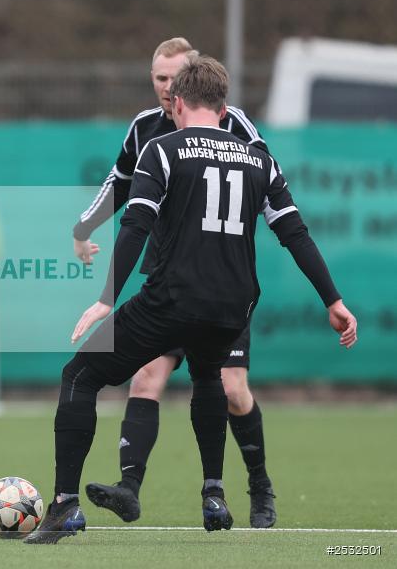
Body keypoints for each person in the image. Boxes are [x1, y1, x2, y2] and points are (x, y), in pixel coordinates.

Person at [24, 55, 357, 544]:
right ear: (224, 111)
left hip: (172, 298)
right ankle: (214, 494)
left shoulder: (161, 149)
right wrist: (333, 300)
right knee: (208, 379)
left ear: (177, 103)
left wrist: (105, 299)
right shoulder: (259, 158)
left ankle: (64, 508)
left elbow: (135, 224)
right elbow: (293, 231)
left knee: (80, 375)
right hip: (233, 306)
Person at [73, 37, 279, 529]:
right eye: (158, 79)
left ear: (193, 80)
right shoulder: (147, 128)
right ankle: (129, 488)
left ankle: (259, 486)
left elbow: (268, 182)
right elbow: (117, 184)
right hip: (165, 281)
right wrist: (84, 227)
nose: (166, 88)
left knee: (231, 388)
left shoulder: (236, 125)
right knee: (146, 378)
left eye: (174, 79)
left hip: (219, 283)